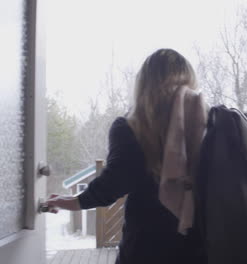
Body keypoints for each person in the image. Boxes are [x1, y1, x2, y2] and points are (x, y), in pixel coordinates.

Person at [46, 49, 208, 264]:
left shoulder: (132, 127)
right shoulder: (209, 125)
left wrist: (74, 202)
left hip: (146, 249)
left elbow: (114, 183)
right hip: (201, 248)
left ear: (144, 86)